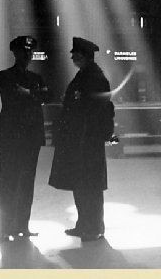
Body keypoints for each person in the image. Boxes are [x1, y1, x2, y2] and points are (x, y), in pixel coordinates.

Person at [49, 37, 114, 241]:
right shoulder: (84, 75)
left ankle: (94, 226)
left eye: (76, 55)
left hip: (88, 141)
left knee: (90, 185)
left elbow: (102, 110)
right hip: (79, 140)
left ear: (85, 56)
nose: (73, 58)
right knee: (81, 183)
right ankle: (84, 224)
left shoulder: (95, 77)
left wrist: (95, 134)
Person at [0, 35, 48, 243]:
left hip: (30, 138)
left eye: (30, 52)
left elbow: (48, 96)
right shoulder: (5, 76)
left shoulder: (35, 78)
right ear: (15, 53)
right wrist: (33, 95)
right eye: (23, 52)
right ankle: (3, 228)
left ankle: (22, 225)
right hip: (12, 138)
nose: (27, 56)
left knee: (27, 183)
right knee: (8, 183)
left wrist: (27, 93)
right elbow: (10, 98)